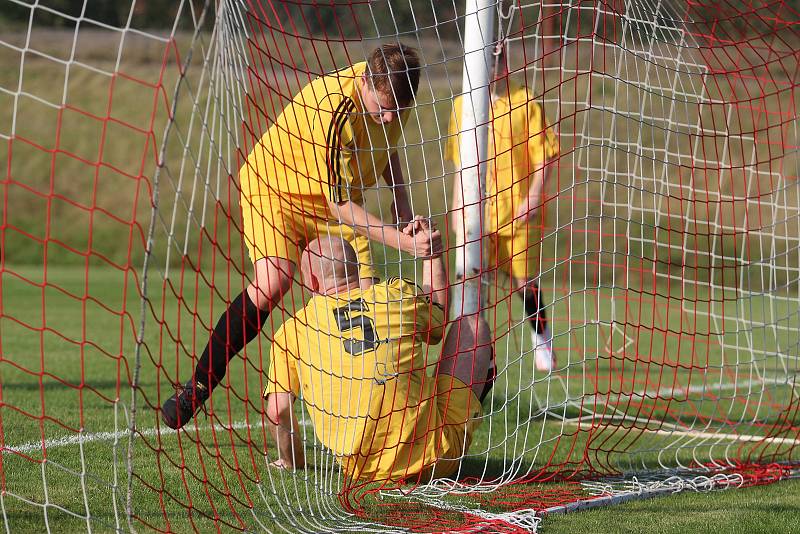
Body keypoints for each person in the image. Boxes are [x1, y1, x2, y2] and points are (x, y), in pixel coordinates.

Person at [161, 43, 435, 429]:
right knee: (274, 283)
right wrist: (404, 242)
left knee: (367, 297)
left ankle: (374, 421)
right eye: (383, 109)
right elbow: (340, 205)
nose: (390, 118)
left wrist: (402, 203)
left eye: (397, 110)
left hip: (336, 199)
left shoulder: (396, 95)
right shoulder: (335, 110)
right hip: (279, 192)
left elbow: (386, 148)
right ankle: (199, 385)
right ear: (364, 82)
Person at [264, 220, 494, 482]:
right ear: (356, 269)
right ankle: (484, 376)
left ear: (313, 282)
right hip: (436, 458)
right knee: (472, 326)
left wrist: (292, 461)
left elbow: (278, 411)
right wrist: (432, 255)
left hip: (362, 469)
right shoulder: (395, 295)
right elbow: (438, 324)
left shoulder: (292, 330)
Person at [446, 43, 559, 372]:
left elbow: (545, 155)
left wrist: (534, 195)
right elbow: (460, 163)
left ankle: (542, 340)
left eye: (500, 59)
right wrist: (457, 207)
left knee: (525, 282)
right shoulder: (462, 106)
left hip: (518, 213)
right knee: (472, 281)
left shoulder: (525, 102)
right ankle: (472, 350)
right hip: (478, 215)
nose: (495, 67)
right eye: (489, 60)